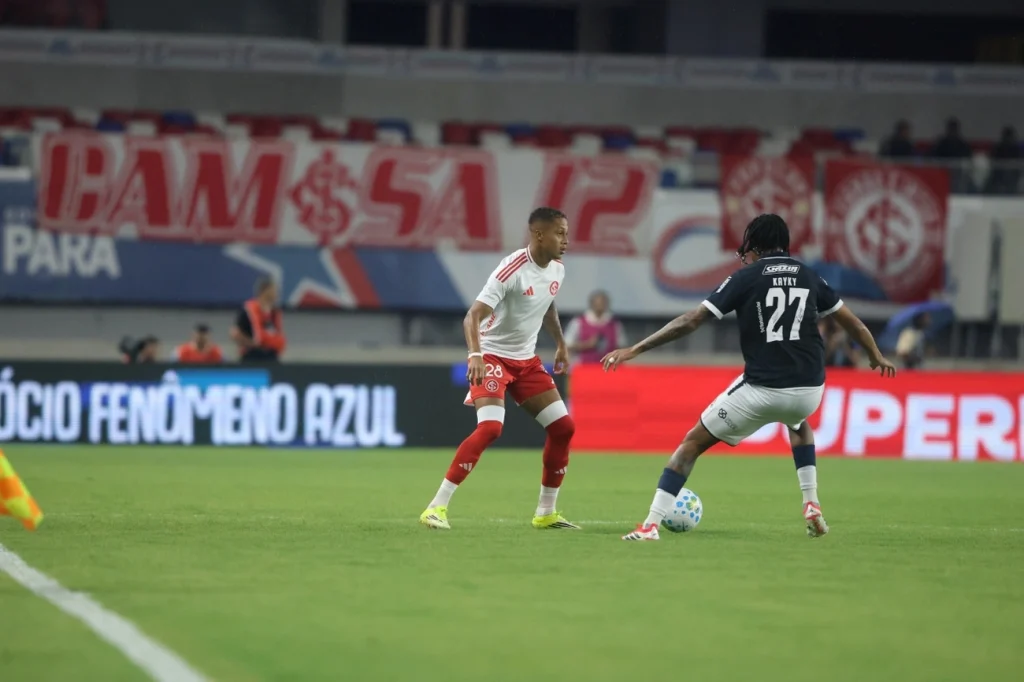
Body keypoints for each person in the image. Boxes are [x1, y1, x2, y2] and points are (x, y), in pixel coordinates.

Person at [601, 214, 897, 541]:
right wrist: (875, 356)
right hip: (810, 391)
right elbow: (853, 323)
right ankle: (811, 504)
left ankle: (650, 525)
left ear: (754, 247)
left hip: (763, 390)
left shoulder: (747, 277)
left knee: (690, 445)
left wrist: (636, 349)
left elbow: (691, 321)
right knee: (798, 422)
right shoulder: (809, 275)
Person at [420, 207, 578, 531]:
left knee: (563, 428)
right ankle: (436, 507)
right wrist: (474, 354)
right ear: (538, 234)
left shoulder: (558, 270)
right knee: (491, 428)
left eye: (566, 232)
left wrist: (560, 343)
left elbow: (547, 304)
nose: (566, 240)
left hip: (527, 360)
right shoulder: (511, 269)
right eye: (559, 233)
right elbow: (472, 316)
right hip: (492, 355)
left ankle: (546, 512)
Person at [231, 277, 286, 363]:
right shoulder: (248, 311)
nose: (277, 293)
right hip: (251, 358)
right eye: (274, 290)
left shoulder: (274, 313)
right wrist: (252, 344)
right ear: (265, 290)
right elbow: (235, 333)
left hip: (271, 358)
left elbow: (278, 336)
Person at [564, 290, 627, 365]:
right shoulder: (578, 322)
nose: (600, 306)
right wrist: (587, 345)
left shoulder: (615, 324)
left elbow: (621, 348)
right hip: (583, 367)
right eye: (598, 303)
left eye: (603, 303)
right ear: (592, 304)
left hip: (608, 369)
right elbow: (566, 346)